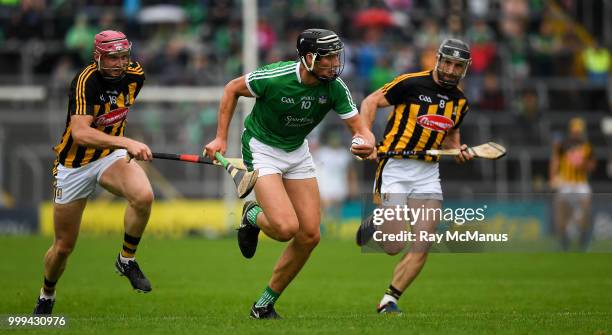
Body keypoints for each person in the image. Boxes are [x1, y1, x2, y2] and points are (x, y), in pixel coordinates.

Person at [204, 28, 375, 319]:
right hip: (262, 148)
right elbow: (232, 88)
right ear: (308, 58)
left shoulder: (335, 87)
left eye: (337, 56)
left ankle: (264, 305)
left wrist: (365, 141)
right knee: (285, 229)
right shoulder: (274, 77)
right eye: (328, 58)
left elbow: (361, 129)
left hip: (297, 151)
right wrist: (220, 138)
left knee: (309, 235)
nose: (335, 64)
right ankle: (251, 215)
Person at [33, 30, 154, 315]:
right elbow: (81, 133)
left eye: (124, 57)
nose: (119, 63)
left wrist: (122, 145)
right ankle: (47, 294)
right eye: (112, 57)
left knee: (144, 196)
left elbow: (114, 115)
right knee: (63, 247)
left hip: (109, 157)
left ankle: (126, 259)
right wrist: (127, 142)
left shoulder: (136, 75)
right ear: (98, 56)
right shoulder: (85, 81)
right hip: (73, 166)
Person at [356, 38, 475, 313]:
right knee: (393, 246)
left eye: (457, 65)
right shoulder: (410, 83)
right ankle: (379, 218)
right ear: (438, 59)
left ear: (464, 69)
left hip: (427, 173)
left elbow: (450, 137)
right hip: (395, 167)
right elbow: (370, 101)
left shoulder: (460, 102)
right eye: (447, 62)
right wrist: (367, 135)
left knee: (423, 242)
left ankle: (390, 299)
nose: (450, 69)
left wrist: (459, 150)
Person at [549, 117, 596, 251]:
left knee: (585, 211)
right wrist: (552, 177)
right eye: (574, 131)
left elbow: (592, 165)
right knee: (561, 216)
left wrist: (583, 164)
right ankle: (564, 243)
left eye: (578, 131)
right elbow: (555, 160)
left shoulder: (587, 147)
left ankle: (583, 240)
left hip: (581, 184)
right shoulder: (563, 145)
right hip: (565, 183)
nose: (576, 134)